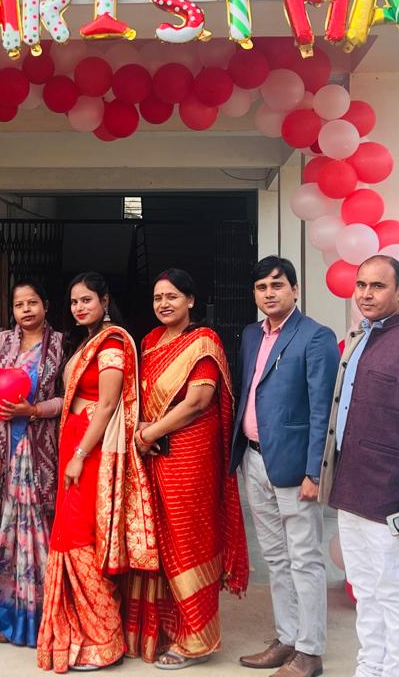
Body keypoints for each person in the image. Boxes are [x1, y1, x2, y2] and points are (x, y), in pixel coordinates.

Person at [319, 255, 399, 677]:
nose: (366, 294)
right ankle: (370, 668)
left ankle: (398, 672)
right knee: (367, 592)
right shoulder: (359, 340)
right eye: (361, 285)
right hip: (352, 491)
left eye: (377, 286)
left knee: (397, 595)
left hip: (395, 498)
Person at [125, 268, 249, 669]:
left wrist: (148, 433)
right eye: (158, 297)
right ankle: (163, 630)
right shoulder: (149, 341)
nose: (164, 304)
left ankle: (197, 639)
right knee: (158, 539)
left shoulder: (203, 341)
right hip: (153, 454)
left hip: (190, 455)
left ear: (191, 301)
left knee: (187, 538)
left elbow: (197, 402)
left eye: (172, 296)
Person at [37, 272, 157, 673]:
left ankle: (105, 638)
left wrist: (79, 454)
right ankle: (84, 633)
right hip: (76, 439)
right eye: (74, 302)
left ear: (105, 301)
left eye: (86, 299)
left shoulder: (111, 342)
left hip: (93, 448)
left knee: (80, 537)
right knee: (71, 534)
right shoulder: (87, 341)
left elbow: (106, 405)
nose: (79, 307)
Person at [230, 256, 339, 677]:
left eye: (277, 285)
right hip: (255, 459)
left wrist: (315, 471)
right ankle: (287, 638)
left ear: (295, 289)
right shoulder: (250, 335)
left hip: (295, 467)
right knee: (275, 557)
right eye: (261, 287)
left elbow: (322, 411)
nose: (269, 293)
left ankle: (310, 652)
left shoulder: (315, 336)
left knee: (304, 558)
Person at [0, 280, 64, 647]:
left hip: (41, 448)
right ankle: (3, 613)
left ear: (45, 305)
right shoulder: (1, 342)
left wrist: (35, 410)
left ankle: (40, 613)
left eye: (32, 302)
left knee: (40, 527)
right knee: (3, 529)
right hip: (4, 447)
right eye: (19, 304)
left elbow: (68, 398)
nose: (26, 310)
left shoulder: (60, 344)